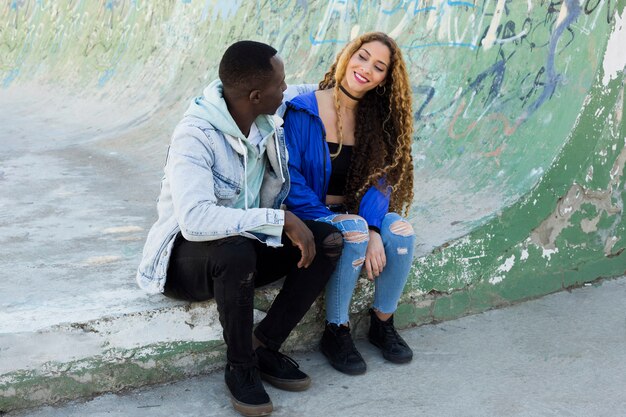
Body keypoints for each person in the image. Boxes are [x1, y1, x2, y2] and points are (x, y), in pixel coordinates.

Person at [135, 41, 343, 417]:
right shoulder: (194, 135)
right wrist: (278, 220)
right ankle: (240, 366)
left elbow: (307, 89)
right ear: (255, 94)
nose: (285, 88)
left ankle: (264, 345)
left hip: (244, 247)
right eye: (279, 84)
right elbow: (196, 220)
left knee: (327, 240)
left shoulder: (265, 120)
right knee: (235, 250)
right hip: (187, 261)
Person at [283, 32, 416, 375]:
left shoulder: (378, 121)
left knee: (400, 232)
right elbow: (290, 178)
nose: (366, 68)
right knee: (354, 230)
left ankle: (382, 323)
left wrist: (373, 227)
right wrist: (342, 221)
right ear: (347, 55)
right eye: (363, 56)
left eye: (378, 67)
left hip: (358, 213)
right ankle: (336, 331)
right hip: (311, 214)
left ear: (385, 78)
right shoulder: (303, 110)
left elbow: (380, 181)